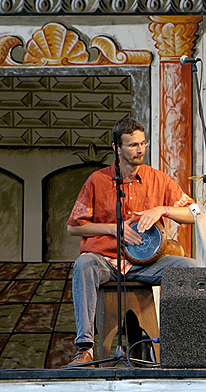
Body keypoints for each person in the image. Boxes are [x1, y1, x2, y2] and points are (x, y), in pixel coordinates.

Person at [65, 117, 197, 367]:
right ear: (116, 147)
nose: (139, 150)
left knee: (188, 268)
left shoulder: (158, 179)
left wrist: (163, 210)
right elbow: (73, 227)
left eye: (143, 143)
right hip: (107, 261)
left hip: (145, 264)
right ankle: (85, 348)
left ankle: (178, 347)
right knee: (84, 264)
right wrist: (115, 230)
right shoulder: (98, 180)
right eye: (132, 145)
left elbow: (193, 215)